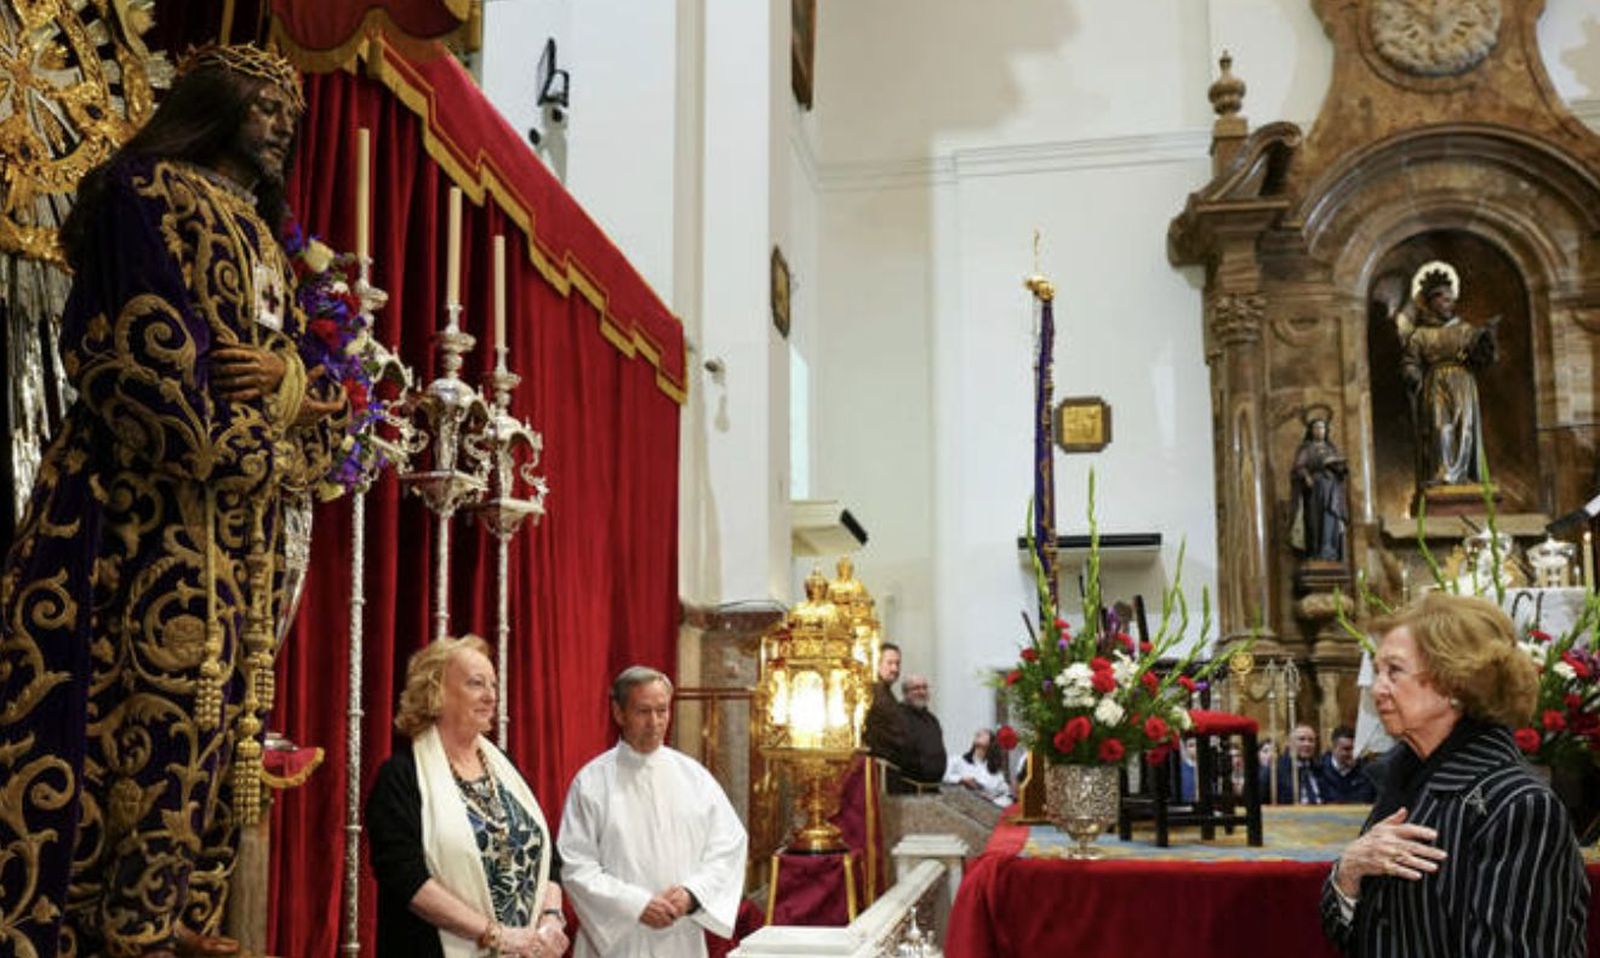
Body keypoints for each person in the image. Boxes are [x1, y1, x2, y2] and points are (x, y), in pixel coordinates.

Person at [0, 44, 346, 958]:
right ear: (210, 104)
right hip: (138, 519)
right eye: (263, 105)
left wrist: (286, 392)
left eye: (291, 114)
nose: (282, 126)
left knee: (215, 730)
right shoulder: (145, 195)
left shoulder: (267, 240)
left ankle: (161, 909)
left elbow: (319, 400)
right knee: (130, 717)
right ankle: (111, 921)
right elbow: (142, 365)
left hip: (239, 545)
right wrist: (272, 436)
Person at [1320, 593, 1588, 956]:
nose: (1377, 688)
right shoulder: (1403, 782)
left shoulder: (1519, 806)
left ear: (1455, 684)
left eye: (1394, 671)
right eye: (1377, 670)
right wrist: (1348, 873)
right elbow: (1361, 936)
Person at [366, 636, 567, 958]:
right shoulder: (401, 776)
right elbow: (406, 879)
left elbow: (548, 857)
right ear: (436, 692)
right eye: (476, 683)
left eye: (494, 685)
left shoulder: (505, 767)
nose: (491, 696)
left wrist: (552, 918)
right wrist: (494, 934)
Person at [559, 667, 747, 958]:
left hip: (680, 937)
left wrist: (692, 893)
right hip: (618, 940)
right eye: (643, 711)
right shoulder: (592, 782)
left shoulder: (694, 777)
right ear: (619, 713)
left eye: (662, 710)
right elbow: (576, 865)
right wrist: (636, 905)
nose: (655, 722)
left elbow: (728, 846)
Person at [1399, 266, 1498, 488]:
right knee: (1440, 427)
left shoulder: (1465, 329)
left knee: (1464, 428)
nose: (1450, 304)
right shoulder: (1420, 334)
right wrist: (1412, 372)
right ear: (1432, 302)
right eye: (1445, 300)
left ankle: (1462, 475)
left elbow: (1482, 359)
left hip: (1462, 381)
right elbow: (1410, 360)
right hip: (1435, 383)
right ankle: (1442, 472)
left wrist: (1487, 339)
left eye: (1451, 300)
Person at [1289, 416, 1349, 562]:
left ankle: (1330, 551)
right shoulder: (1307, 449)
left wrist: (1340, 468)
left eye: (1322, 428)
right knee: (1314, 521)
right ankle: (1315, 551)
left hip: (1331, 490)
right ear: (1311, 430)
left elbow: (1340, 470)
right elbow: (1298, 467)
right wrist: (1306, 476)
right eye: (1316, 428)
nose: (1319, 431)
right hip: (1315, 490)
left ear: (1326, 430)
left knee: (1331, 518)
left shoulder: (1331, 448)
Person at [887, 674, 948, 794]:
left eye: (925, 688)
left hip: (933, 789)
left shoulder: (932, 719)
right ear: (905, 693)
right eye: (916, 688)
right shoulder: (897, 716)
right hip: (908, 789)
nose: (922, 692)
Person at [944, 728, 1012, 806]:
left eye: (985, 732)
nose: (979, 732)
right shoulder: (957, 760)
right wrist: (961, 779)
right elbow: (942, 775)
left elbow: (1007, 796)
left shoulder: (996, 773)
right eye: (978, 732)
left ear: (991, 742)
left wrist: (993, 801)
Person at [1264, 723, 1325, 804]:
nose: (1307, 744)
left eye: (1311, 740)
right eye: (1301, 739)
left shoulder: (1320, 769)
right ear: (1289, 742)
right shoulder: (1274, 772)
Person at [862, 641, 903, 760]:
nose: (895, 669)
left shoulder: (886, 693)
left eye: (897, 663)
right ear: (877, 664)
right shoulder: (871, 693)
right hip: (877, 762)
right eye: (889, 663)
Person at [1317, 725, 1377, 804]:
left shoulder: (1368, 772)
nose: (1353, 753)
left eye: (1355, 749)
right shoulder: (1318, 771)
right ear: (1333, 748)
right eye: (1347, 749)